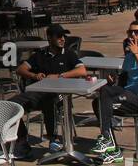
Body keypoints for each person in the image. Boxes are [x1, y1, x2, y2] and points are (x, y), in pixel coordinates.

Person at [89, 22, 138, 164]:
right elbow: (123, 83)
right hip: (128, 97)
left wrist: (137, 55)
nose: (132, 35)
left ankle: (109, 142)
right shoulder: (129, 57)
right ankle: (110, 145)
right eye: (130, 32)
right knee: (99, 99)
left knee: (103, 98)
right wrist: (114, 81)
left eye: (137, 32)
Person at [11, 24, 89, 159]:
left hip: (60, 96)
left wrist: (60, 76)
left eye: (64, 36)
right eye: (59, 36)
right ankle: (22, 140)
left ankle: (53, 139)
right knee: (12, 105)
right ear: (49, 38)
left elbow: (82, 70)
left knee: (50, 100)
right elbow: (20, 69)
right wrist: (35, 76)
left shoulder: (69, 54)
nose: (63, 39)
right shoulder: (40, 55)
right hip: (37, 93)